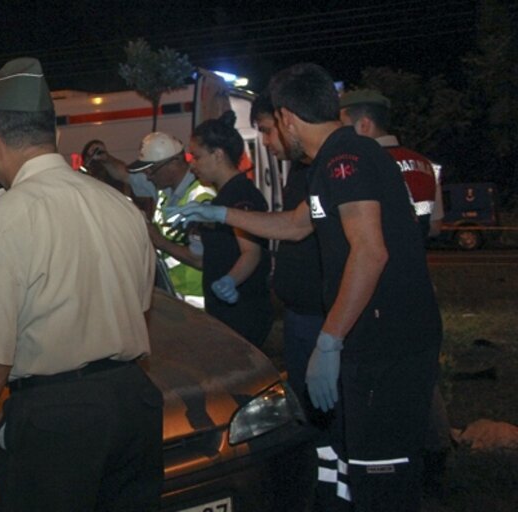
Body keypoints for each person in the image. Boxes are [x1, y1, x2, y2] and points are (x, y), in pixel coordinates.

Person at [174, 63, 442, 512]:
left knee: (383, 484)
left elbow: (370, 252)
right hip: (373, 342)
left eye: (272, 124)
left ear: (286, 118)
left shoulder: (346, 160)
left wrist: (330, 339)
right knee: (362, 471)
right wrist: (221, 216)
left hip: (388, 345)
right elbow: (297, 226)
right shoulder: (329, 161)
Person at [0, 57, 162, 511]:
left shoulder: (3, 218)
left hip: (57, 422)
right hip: (134, 404)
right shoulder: (121, 207)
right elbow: (141, 311)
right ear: (56, 136)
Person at [339, 88, 453, 498]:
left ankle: (388, 462)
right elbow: (435, 226)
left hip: (383, 283)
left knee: (388, 381)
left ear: (364, 123)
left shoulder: (366, 163)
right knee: (422, 374)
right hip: (420, 278)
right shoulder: (423, 163)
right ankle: (435, 452)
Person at [251, 94, 325, 414]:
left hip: (320, 316)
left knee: (324, 409)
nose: (266, 141)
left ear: (287, 122)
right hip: (299, 313)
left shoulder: (320, 169)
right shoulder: (298, 169)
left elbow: (296, 226)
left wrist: (223, 215)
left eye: (268, 130)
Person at [184, 113, 272, 347]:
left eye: (197, 157)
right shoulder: (223, 195)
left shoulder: (240, 195)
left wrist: (230, 281)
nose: (192, 165)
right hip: (227, 312)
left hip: (242, 313)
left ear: (218, 155)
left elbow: (251, 252)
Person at [339, 89, 444, 238]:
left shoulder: (357, 164)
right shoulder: (427, 165)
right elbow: (434, 227)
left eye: (342, 126)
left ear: (364, 125)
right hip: (416, 256)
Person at [129, 132, 216, 309]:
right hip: (178, 299)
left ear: (174, 162)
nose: (148, 176)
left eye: (151, 169)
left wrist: (158, 241)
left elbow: (201, 259)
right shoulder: (165, 194)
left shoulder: (201, 199)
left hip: (202, 304)